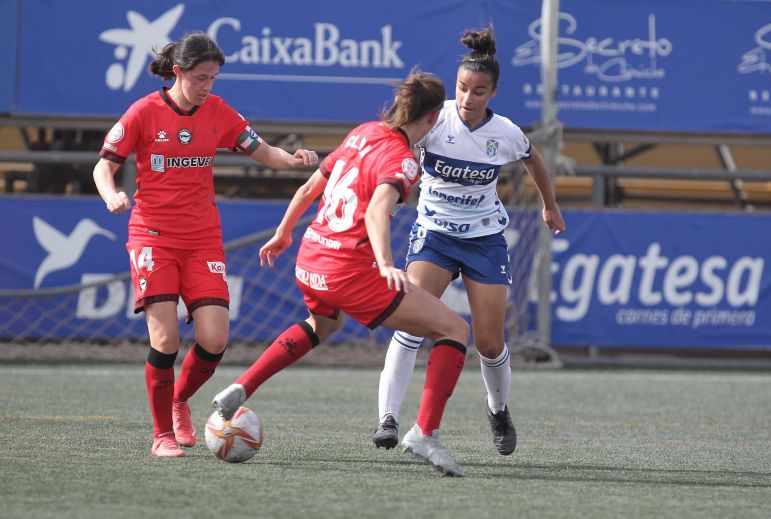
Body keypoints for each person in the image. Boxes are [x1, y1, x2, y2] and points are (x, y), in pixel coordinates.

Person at [211, 70, 472, 477]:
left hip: (310, 258)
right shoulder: (402, 161)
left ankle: (244, 384)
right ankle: (425, 433)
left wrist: (283, 233)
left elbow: (308, 189)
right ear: (433, 117)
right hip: (348, 271)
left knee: (323, 325)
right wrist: (386, 264)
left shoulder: (363, 131)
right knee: (454, 330)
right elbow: (375, 210)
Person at [92, 32, 319, 457]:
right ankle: (162, 435)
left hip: (202, 239)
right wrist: (112, 195)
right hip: (153, 237)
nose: (208, 86)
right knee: (165, 341)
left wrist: (291, 160)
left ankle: (179, 400)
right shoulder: (143, 112)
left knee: (214, 339)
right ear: (177, 72)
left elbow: (262, 150)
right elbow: (104, 166)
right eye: (200, 78)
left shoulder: (217, 112)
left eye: (213, 78)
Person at [372, 26, 566, 456]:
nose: (467, 98)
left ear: (493, 92)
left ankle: (497, 408)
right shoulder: (433, 119)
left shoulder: (506, 133)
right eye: (461, 88)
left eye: (478, 91)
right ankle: (387, 418)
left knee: (490, 343)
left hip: (484, 240)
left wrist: (548, 205)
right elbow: (391, 142)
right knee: (409, 324)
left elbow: (533, 159)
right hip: (435, 235)